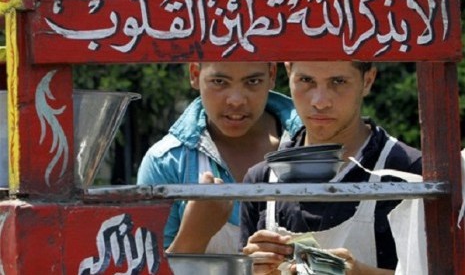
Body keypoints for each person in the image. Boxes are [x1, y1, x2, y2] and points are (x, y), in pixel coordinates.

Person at [240, 61, 422, 275]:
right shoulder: (261, 179)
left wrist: (362, 273)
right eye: (306, 80)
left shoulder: (410, 173)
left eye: (338, 82)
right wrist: (251, 269)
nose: (320, 102)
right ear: (288, 72)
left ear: (368, 80)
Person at [137, 62, 303, 254]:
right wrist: (193, 236)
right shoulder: (167, 162)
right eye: (219, 81)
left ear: (272, 75)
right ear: (195, 74)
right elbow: (145, 266)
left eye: (253, 81)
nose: (236, 100)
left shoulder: (315, 148)